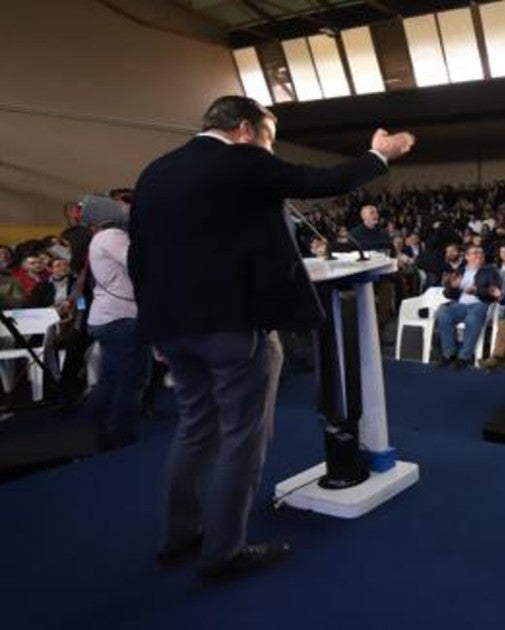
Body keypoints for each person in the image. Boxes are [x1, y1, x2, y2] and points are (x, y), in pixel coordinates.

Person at [129, 95, 414, 584]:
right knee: (243, 435)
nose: (269, 148)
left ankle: (180, 536)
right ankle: (223, 552)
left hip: (172, 326)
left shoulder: (155, 171)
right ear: (244, 129)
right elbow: (318, 181)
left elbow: (141, 256)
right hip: (233, 324)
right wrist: (378, 155)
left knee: (195, 427)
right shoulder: (239, 160)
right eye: (268, 137)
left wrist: (156, 324)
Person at [86, 206, 151, 450]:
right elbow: (137, 262)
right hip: (121, 318)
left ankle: (97, 426)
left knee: (110, 377)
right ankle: (121, 434)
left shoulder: (100, 238)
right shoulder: (113, 236)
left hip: (108, 317)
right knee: (132, 380)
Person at [433, 245, 503, 370]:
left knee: (472, 319)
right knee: (443, 314)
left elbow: (495, 291)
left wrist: (477, 290)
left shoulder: (491, 270)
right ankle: (449, 353)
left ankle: (464, 357)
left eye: (481, 253)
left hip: (480, 304)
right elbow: (447, 294)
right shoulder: (460, 271)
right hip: (461, 305)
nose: (479, 255)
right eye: (475, 253)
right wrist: (453, 287)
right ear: (467, 257)